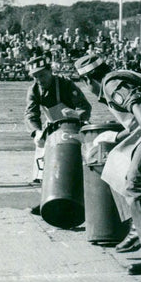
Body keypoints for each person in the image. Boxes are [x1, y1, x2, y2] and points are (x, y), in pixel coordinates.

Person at [74, 53, 141, 275]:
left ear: (88, 80)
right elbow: (135, 120)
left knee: (135, 183)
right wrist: (114, 138)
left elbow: (138, 104)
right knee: (115, 167)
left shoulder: (111, 82)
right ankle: (138, 226)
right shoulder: (113, 79)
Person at [24, 55, 93, 212]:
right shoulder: (33, 90)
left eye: (42, 75)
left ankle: (85, 200)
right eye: (35, 76)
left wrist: (77, 115)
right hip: (53, 127)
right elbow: (30, 114)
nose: (39, 79)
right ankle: (47, 200)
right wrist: (36, 132)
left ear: (50, 71)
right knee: (45, 165)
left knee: (80, 163)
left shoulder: (66, 84)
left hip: (75, 126)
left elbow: (85, 107)